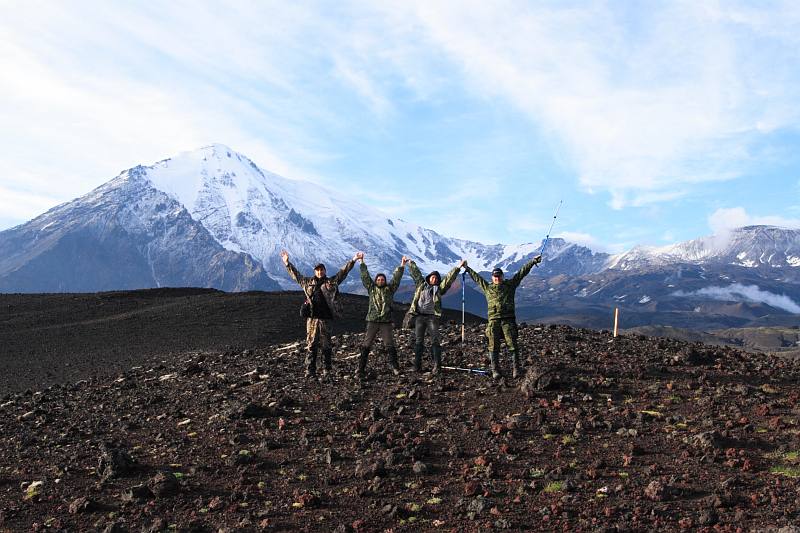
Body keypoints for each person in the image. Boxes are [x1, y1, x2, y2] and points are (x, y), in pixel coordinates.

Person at [281, 249, 359, 378]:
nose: (319, 272)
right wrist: (287, 263)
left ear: (325, 271)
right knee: (311, 344)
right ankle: (310, 370)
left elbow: (343, 272)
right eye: (317, 270)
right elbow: (296, 276)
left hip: (325, 319)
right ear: (314, 271)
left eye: (321, 269)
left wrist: (353, 260)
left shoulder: (331, 282)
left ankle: (326, 370)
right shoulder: (307, 283)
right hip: (312, 319)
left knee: (326, 345)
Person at [463, 255, 542, 379]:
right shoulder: (488, 288)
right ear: (492, 277)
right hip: (493, 321)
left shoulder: (510, 285)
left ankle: (516, 369)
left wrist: (532, 262)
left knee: (512, 344)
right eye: (495, 276)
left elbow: (521, 273)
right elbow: (477, 279)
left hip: (508, 319)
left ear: (502, 276)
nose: (497, 278)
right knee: (493, 345)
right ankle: (495, 370)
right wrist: (467, 268)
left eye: (499, 276)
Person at [406, 258, 464, 373]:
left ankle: (437, 366)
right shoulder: (421, 285)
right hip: (420, 316)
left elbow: (448, 279)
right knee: (418, 341)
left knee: (435, 340)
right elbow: (416, 274)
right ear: (428, 278)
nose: (435, 279)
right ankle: (417, 366)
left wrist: (458, 267)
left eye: (436, 278)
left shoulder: (439, 289)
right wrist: (410, 263)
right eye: (433, 277)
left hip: (432, 317)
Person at [357, 253, 406, 379]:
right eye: (378, 279)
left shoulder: (390, 289)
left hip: (386, 321)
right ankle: (360, 369)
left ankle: (395, 368)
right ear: (375, 281)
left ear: (385, 281)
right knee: (366, 345)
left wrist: (402, 265)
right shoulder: (371, 288)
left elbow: (396, 278)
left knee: (390, 345)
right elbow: (365, 277)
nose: (380, 281)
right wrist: (362, 262)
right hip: (372, 320)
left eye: (382, 279)